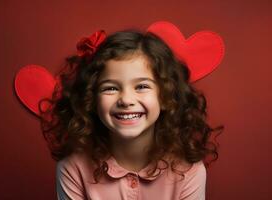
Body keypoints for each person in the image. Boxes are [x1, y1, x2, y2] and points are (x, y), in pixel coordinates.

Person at [39, 29, 223, 200]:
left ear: (166, 96)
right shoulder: (73, 167)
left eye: (142, 86)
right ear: (90, 100)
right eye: (110, 88)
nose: (126, 100)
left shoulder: (189, 170)